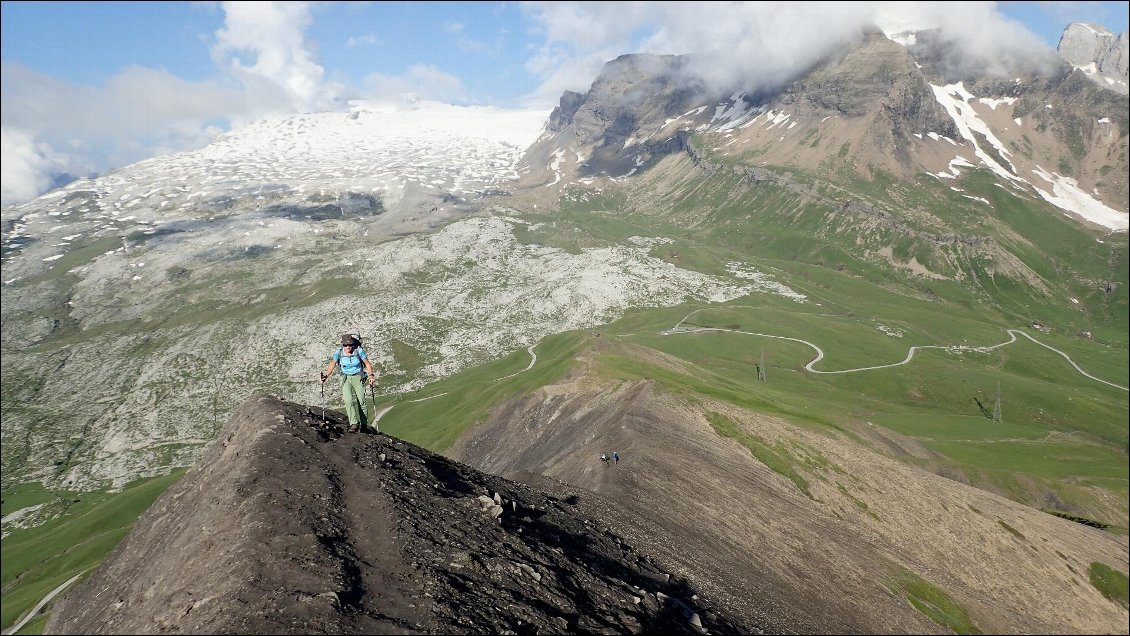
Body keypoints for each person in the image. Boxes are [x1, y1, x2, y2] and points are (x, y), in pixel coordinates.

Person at [321, 334, 377, 432]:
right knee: (348, 401)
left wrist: (371, 376)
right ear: (343, 345)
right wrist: (326, 375)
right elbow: (333, 363)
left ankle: (363, 425)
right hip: (345, 378)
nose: (348, 347)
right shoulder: (339, 352)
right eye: (346, 345)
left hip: (358, 377)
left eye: (350, 345)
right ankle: (354, 424)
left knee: (361, 401)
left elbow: (367, 363)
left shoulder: (359, 351)